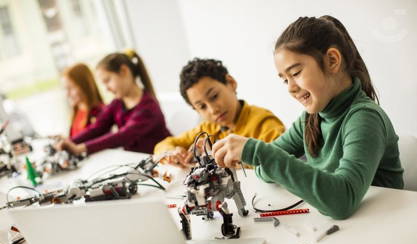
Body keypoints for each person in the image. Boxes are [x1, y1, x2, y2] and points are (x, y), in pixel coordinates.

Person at [212, 16, 404, 219]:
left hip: (384, 225)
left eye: (295, 73)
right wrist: (261, 156)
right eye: (285, 80)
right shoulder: (310, 119)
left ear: (332, 60)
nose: (291, 88)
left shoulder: (365, 118)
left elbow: (342, 202)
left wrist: (260, 152)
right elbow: (262, 170)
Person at [154, 58, 285, 167]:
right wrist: (172, 153)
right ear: (195, 110)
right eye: (202, 106)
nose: (213, 110)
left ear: (231, 83)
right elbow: (162, 145)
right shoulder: (208, 128)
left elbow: (280, 166)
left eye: (214, 96)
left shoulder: (264, 124)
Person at [57, 49, 171, 155]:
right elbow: (97, 128)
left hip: (162, 164)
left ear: (124, 71)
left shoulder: (148, 107)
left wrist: (81, 148)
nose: (107, 88)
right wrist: (68, 142)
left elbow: (122, 136)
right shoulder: (117, 103)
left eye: (107, 80)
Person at [62, 63, 105, 138]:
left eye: (71, 88)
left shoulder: (100, 112)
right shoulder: (77, 110)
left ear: (85, 86)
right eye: (66, 89)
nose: (67, 94)